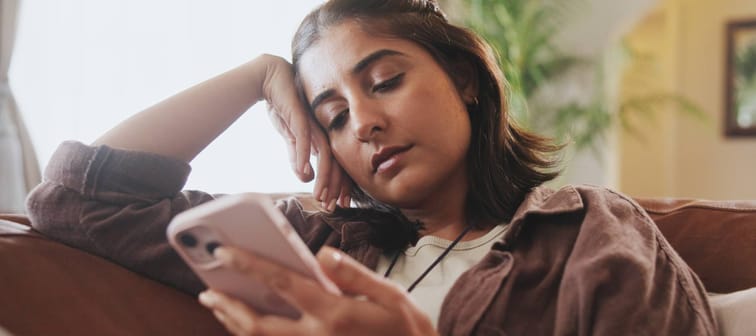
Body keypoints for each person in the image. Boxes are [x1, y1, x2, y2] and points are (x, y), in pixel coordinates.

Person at [26, 0, 718, 335]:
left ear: (465, 80)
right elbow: (74, 201)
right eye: (330, 114)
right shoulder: (316, 246)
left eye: (384, 80)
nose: (363, 122)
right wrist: (254, 78)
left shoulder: (588, 232)